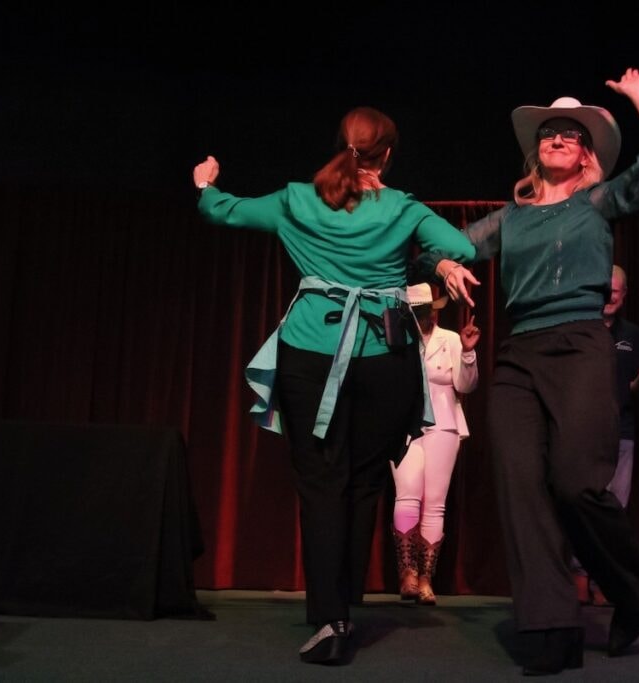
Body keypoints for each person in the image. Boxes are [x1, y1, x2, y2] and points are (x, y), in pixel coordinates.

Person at [421, 67, 639, 675]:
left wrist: (637, 94)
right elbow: (439, 246)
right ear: (535, 152)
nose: (558, 137)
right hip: (520, 355)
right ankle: (551, 627)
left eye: (571, 133)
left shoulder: (601, 201)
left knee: (575, 482)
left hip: (578, 347)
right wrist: (442, 265)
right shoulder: (510, 220)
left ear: (587, 153)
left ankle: (627, 587)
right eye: (549, 132)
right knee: (520, 490)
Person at [191, 107, 475, 666]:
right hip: (384, 362)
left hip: (311, 357)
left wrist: (205, 183)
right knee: (365, 483)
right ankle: (344, 601)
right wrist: (432, 262)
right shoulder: (402, 207)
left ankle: (331, 618)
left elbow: (225, 213)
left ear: (343, 145)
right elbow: (461, 248)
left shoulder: (297, 198)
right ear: (388, 155)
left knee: (322, 482)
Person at [575, 264, 639, 606]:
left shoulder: (634, 336)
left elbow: (633, 390)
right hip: (583, 432)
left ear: (624, 295)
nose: (610, 296)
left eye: (616, 291)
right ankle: (579, 575)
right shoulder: (580, 330)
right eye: (605, 289)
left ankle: (604, 579)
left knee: (614, 510)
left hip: (622, 433)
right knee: (583, 504)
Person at [391, 282, 480, 606]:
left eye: (425, 311)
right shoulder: (397, 339)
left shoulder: (451, 339)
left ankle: (427, 577)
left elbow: (465, 386)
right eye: (415, 312)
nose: (421, 317)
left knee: (435, 502)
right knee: (408, 494)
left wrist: (468, 353)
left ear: (434, 311)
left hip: (443, 423)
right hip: (404, 424)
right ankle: (407, 574)